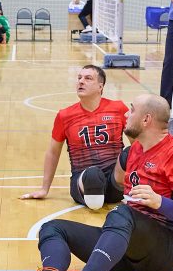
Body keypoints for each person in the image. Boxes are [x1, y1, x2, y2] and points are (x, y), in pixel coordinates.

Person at [7, 94, 173, 271]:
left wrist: (159, 202)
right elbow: (116, 182)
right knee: (53, 228)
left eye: (132, 110)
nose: (126, 115)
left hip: (165, 253)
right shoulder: (133, 151)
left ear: (146, 119)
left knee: (121, 213)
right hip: (130, 249)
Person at [20, 64, 127, 210]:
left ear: (100, 86)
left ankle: (125, 194)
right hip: (83, 181)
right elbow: (53, 152)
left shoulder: (118, 108)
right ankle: (96, 203)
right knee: (93, 175)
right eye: (79, 78)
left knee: (129, 153)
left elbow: (139, 146)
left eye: (88, 78)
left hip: (114, 181)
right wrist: (44, 189)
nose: (81, 81)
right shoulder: (65, 115)